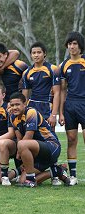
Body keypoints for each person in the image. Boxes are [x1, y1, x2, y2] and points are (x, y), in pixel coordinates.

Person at [10, 92, 68, 187]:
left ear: (25, 104)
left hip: (51, 146)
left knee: (22, 144)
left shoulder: (31, 112)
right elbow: (19, 137)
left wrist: (20, 153)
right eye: (12, 105)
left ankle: (30, 180)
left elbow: (28, 136)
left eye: (17, 104)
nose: (14, 107)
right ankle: (57, 171)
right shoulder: (12, 117)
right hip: (36, 151)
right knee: (21, 181)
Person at [59, 31, 85, 186]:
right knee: (71, 139)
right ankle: (73, 176)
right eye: (69, 44)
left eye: (74, 43)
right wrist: (61, 112)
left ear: (80, 46)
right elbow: (62, 90)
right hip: (70, 105)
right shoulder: (64, 65)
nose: (72, 46)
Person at [22, 42, 60, 129]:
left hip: (47, 106)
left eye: (39, 52)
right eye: (33, 53)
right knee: (31, 134)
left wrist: (54, 115)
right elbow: (24, 96)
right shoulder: (26, 72)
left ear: (44, 53)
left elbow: (57, 93)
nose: (36, 55)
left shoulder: (53, 69)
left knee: (50, 135)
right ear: (31, 55)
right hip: (32, 106)